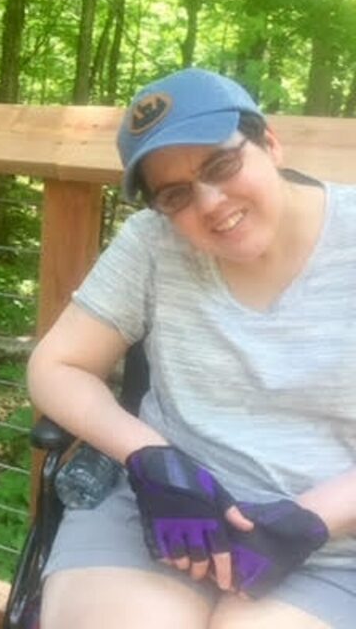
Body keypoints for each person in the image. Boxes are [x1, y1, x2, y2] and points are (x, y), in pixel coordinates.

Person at [28, 68, 356, 629]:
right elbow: (56, 365)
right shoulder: (152, 245)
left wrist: (311, 519)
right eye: (175, 195)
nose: (209, 203)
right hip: (160, 513)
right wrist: (150, 458)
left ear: (269, 144)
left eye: (222, 165)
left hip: (333, 546)